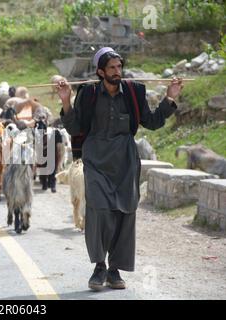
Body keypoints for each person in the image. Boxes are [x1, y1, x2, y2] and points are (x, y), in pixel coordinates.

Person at [57, 47, 183, 291]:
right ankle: (99, 266)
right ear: (100, 71)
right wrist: (65, 101)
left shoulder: (135, 91)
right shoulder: (89, 93)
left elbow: (153, 121)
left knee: (124, 213)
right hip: (95, 160)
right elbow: (75, 128)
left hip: (124, 161)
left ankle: (115, 270)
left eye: (119, 67)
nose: (118, 71)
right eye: (112, 68)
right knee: (99, 211)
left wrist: (170, 98)